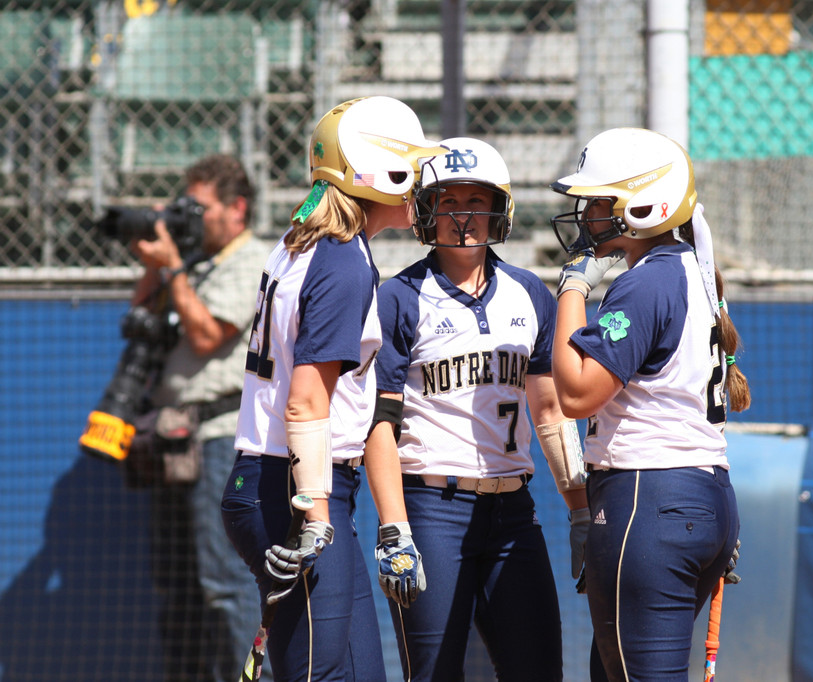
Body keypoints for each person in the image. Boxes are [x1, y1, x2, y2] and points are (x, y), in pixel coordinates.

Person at [220, 96, 441, 682]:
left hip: (286, 482)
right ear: (377, 170)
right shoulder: (342, 259)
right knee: (317, 674)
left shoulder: (309, 241)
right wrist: (314, 514)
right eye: (409, 164)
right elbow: (307, 401)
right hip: (295, 489)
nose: (420, 181)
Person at [369, 136, 587, 681]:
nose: (462, 217)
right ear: (425, 210)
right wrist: (394, 526)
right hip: (431, 507)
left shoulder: (530, 293)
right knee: (436, 672)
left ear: (500, 210)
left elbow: (551, 413)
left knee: (539, 670)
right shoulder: (399, 297)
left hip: (514, 511)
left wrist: (580, 508)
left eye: (476, 202)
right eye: (447, 202)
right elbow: (381, 424)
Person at [547, 127, 748, 681]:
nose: (586, 213)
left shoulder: (649, 280)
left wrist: (571, 290)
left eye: (598, 200)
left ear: (642, 204)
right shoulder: (691, 269)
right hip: (699, 493)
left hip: (648, 498)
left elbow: (575, 393)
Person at [129, 154, 274, 682]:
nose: (191, 217)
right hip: (173, 437)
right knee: (178, 586)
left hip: (221, 438)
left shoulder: (256, 259)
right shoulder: (192, 261)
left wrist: (171, 266)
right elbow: (139, 318)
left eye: (200, 206)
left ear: (236, 208)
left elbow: (209, 334)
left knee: (224, 582)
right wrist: (155, 259)